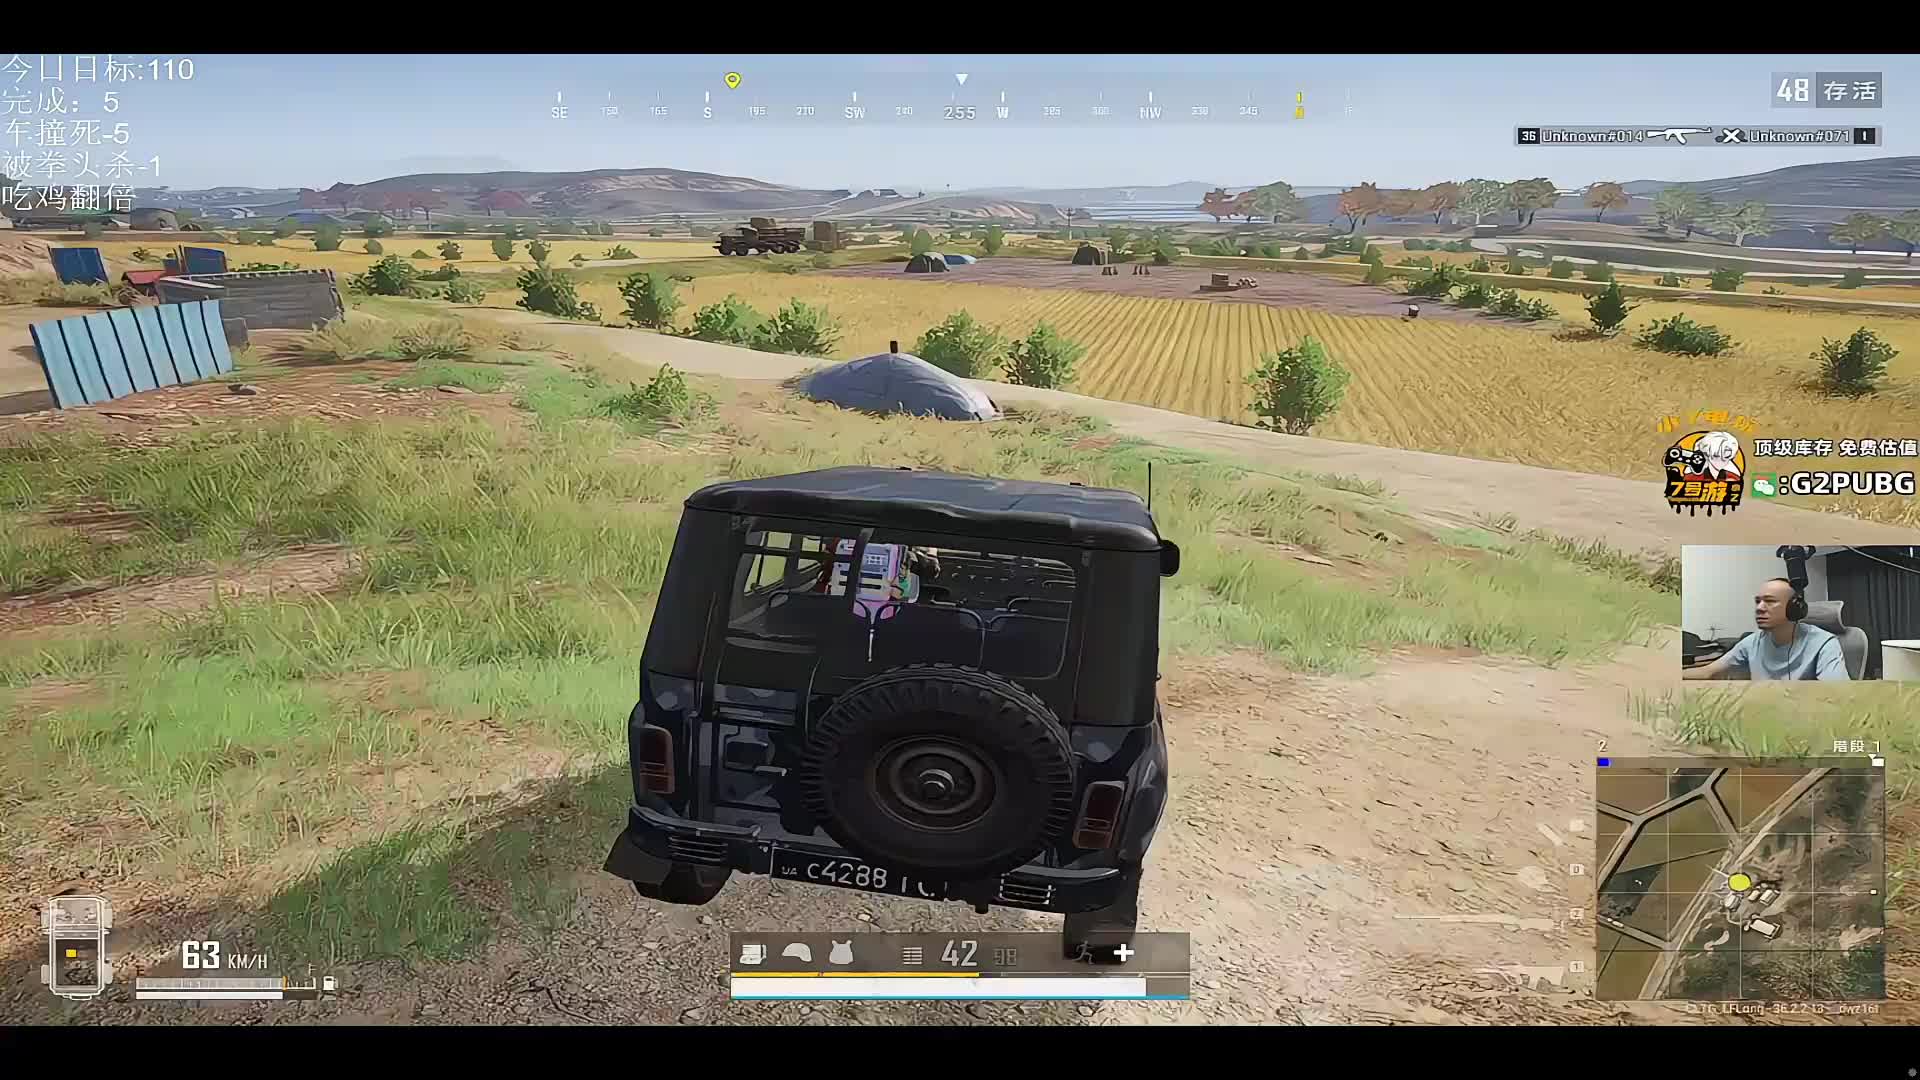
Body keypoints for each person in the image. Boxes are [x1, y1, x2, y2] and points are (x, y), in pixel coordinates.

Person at [1685, 578, 1850, 681]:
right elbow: (1708, 672)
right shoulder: (1752, 642)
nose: (1759, 608)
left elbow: (1837, 694)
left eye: (1770, 601)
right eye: (1758, 601)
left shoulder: (1824, 643)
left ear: (1793, 608)